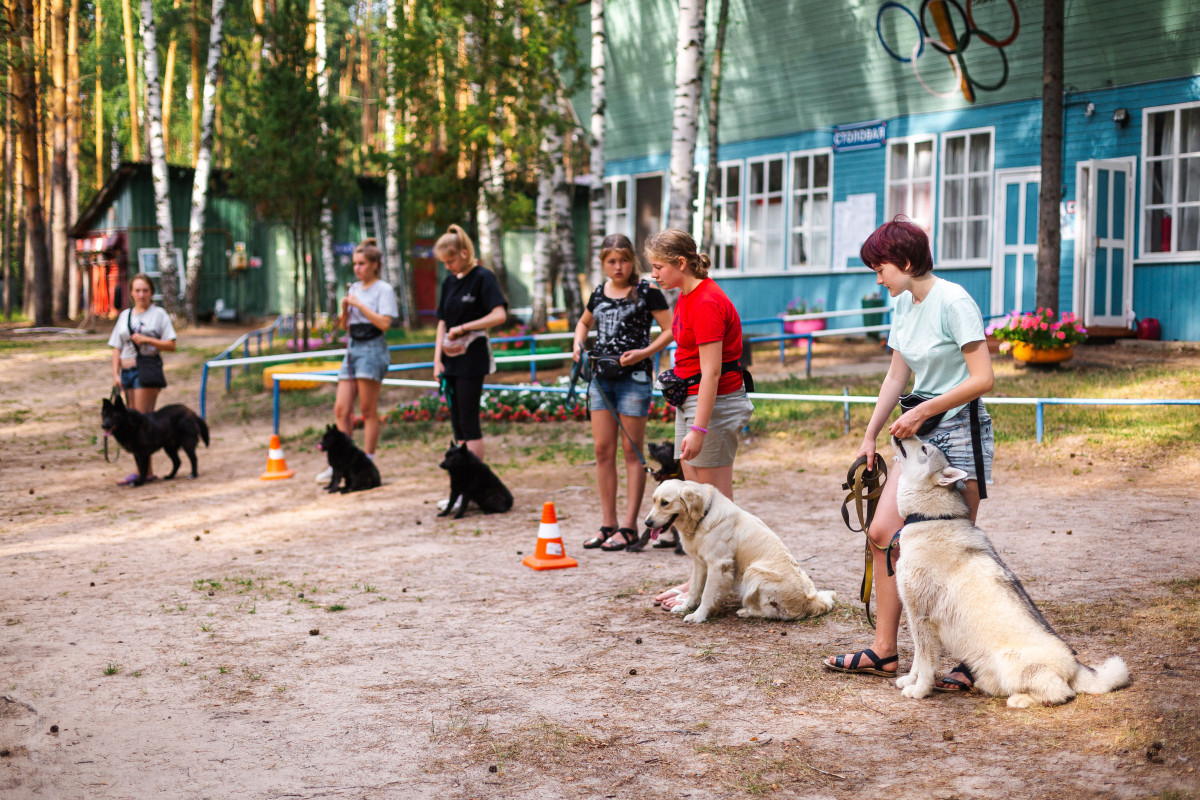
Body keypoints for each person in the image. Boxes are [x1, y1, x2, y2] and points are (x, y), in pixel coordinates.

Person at [824, 216, 995, 692]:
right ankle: (883, 651)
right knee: (882, 533)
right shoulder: (906, 305)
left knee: (951, 552)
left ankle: (973, 659)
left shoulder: (953, 301)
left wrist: (923, 414)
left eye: (879, 268)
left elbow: (983, 378)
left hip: (958, 432)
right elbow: (896, 378)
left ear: (903, 261)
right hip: (916, 434)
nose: (876, 279)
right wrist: (869, 435)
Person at [645, 229, 753, 609]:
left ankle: (720, 588)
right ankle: (698, 582)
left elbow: (711, 373)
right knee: (694, 502)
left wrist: (699, 427)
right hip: (692, 400)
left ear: (680, 263)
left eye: (658, 266)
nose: (653, 274)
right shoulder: (686, 296)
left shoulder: (707, 301)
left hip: (713, 403)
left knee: (715, 506)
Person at [572, 233, 674, 551]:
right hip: (601, 380)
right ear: (603, 263)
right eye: (611, 261)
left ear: (633, 261)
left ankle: (629, 527)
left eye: (624, 260)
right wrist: (577, 344)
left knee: (633, 453)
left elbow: (671, 329)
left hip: (635, 379)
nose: (618, 267)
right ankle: (608, 524)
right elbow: (583, 323)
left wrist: (644, 353)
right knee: (603, 451)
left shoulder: (647, 290)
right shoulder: (599, 293)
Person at [315, 237, 397, 483]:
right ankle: (340, 462)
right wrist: (345, 311)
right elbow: (346, 326)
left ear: (374, 264)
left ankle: (367, 462)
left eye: (362, 263)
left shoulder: (384, 289)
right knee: (341, 408)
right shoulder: (353, 289)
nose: (357, 268)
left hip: (373, 348)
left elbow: (384, 323)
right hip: (353, 348)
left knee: (368, 410)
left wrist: (359, 305)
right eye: (355, 264)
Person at [432, 224, 507, 484]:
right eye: (444, 262)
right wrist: (437, 361)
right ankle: (462, 482)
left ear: (464, 253)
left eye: (450, 260)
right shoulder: (448, 282)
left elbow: (499, 315)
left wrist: (465, 328)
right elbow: (442, 321)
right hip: (449, 361)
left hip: (472, 360)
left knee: (468, 418)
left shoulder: (483, 277)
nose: (448, 266)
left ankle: (476, 482)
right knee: (457, 423)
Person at [108, 273, 177, 486]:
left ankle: (144, 471)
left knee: (142, 422)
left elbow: (171, 344)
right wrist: (116, 374)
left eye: (145, 290)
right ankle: (143, 470)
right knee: (130, 422)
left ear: (151, 292)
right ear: (131, 293)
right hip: (126, 373)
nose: (141, 294)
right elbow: (116, 347)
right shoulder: (125, 315)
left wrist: (148, 339)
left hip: (146, 371)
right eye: (137, 290)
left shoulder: (159, 315)